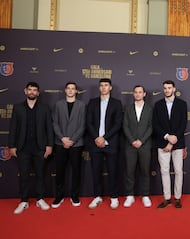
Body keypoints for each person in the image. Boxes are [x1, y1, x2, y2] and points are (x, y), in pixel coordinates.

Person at [8, 82, 54, 214]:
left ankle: (40, 199)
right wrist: (11, 146)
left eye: (35, 90)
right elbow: (13, 129)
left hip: (40, 148)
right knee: (23, 176)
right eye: (30, 90)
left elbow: (49, 129)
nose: (32, 92)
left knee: (40, 175)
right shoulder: (17, 108)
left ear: (38, 93)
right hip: (22, 148)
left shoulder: (45, 108)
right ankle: (24, 201)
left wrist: (49, 145)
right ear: (25, 91)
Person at [86, 78, 122, 209]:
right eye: (101, 85)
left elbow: (118, 124)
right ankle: (97, 196)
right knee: (96, 171)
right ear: (99, 88)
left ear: (110, 88)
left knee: (113, 171)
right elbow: (88, 122)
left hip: (111, 143)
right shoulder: (92, 102)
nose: (103, 88)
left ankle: (114, 197)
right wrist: (97, 137)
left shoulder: (117, 103)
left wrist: (104, 138)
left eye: (106, 85)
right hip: (95, 143)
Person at [153, 80, 187, 209]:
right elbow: (156, 125)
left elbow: (182, 125)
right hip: (162, 143)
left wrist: (172, 141)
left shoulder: (182, 104)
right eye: (165, 88)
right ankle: (167, 198)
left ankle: (177, 198)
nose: (167, 90)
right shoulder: (158, 105)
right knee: (164, 171)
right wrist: (167, 137)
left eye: (169, 88)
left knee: (178, 171)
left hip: (177, 143)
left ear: (174, 89)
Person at [51, 82, 86, 208]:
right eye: (68, 88)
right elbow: (54, 123)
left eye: (73, 89)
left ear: (76, 91)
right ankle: (59, 196)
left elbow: (83, 125)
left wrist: (72, 140)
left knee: (76, 171)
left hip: (76, 144)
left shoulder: (82, 105)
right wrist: (62, 138)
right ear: (65, 90)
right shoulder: (58, 104)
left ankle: (74, 195)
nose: (71, 91)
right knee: (60, 171)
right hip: (60, 144)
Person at [122, 85, 153, 208]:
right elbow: (125, 126)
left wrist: (142, 140)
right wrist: (132, 140)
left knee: (145, 171)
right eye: (136, 92)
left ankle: (145, 195)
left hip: (145, 145)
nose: (138, 94)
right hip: (130, 145)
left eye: (140, 92)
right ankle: (130, 195)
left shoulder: (150, 109)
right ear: (133, 94)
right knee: (129, 171)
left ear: (144, 94)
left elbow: (151, 127)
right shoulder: (128, 108)